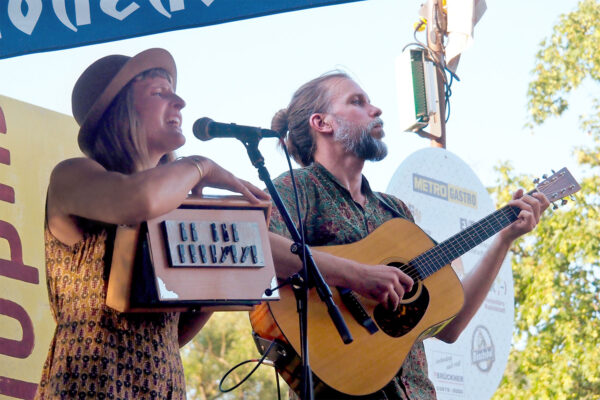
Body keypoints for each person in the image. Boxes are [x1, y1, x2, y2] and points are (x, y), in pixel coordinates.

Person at [264, 71, 549, 399]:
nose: (376, 110)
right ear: (322, 122)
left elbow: (451, 327)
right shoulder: (297, 189)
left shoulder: (396, 212)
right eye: (358, 102)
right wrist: (358, 275)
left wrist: (504, 239)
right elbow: (258, 246)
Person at [35, 48, 269, 399]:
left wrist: (217, 278)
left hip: (163, 384)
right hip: (91, 382)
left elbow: (169, 333)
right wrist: (200, 165)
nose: (179, 101)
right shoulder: (72, 175)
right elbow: (137, 201)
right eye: (159, 93)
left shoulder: (174, 205)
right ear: (119, 111)